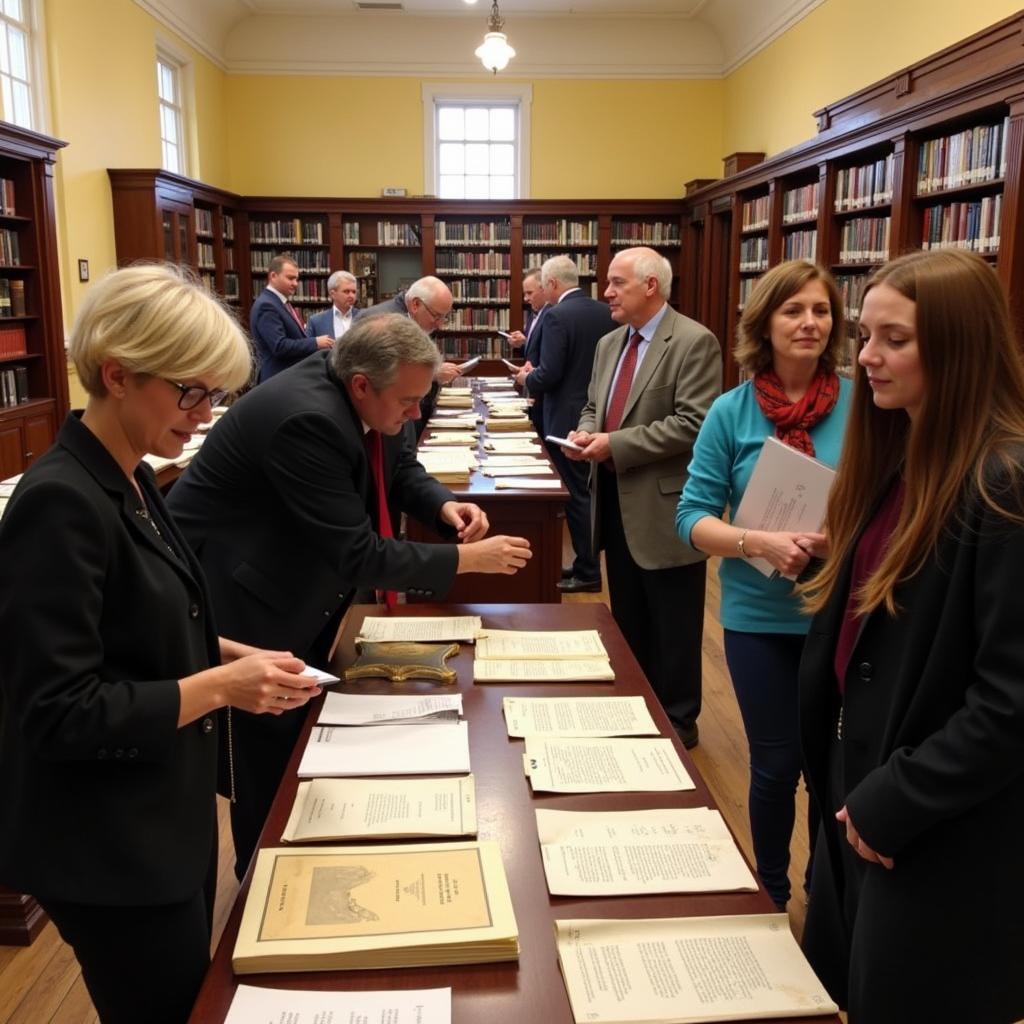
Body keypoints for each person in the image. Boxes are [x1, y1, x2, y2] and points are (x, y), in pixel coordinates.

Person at [0, 264, 320, 1024]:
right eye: (191, 393)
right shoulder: (60, 502)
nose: (204, 413)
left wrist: (237, 654)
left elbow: (159, 622)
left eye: (214, 393)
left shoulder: (131, 476)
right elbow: (58, 710)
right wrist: (223, 687)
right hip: (105, 843)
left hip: (159, 815)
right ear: (117, 374)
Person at [167, 313, 531, 879]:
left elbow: (400, 465)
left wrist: (440, 505)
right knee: (264, 765)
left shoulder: (378, 386)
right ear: (361, 385)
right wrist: (465, 560)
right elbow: (356, 552)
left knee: (298, 741)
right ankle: (262, 883)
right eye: (409, 402)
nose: (416, 413)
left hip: (294, 583)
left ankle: (301, 858)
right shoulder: (305, 419)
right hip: (244, 602)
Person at [798, 249, 1024, 1022]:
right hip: (855, 794)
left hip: (930, 828)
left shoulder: (1003, 483)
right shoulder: (900, 457)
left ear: (958, 347)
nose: (866, 357)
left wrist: (893, 801)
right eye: (865, 335)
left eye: (894, 339)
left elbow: (1011, 701)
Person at [676, 260, 852, 908]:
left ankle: (825, 898)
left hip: (844, 616)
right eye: (793, 310)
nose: (809, 323)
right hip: (758, 616)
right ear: (765, 323)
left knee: (832, 771)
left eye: (821, 311)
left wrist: (844, 535)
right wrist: (759, 542)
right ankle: (772, 896)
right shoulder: (732, 411)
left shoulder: (867, 403)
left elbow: (899, 504)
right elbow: (690, 517)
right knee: (776, 766)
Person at [567, 246, 721, 748]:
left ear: (650, 286)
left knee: (673, 620)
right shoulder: (611, 342)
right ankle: (636, 701)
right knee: (628, 610)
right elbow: (595, 405)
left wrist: (615, 443)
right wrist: (586, 434)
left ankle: (678, 720)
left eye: (616, 283)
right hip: (611, 495)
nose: (606, 292)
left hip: (666, 506)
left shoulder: (694, 342)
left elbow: (693, 423)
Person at [516, 255, 615, 592]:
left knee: (574, 495)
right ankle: (585, 564)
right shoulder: (607, 312)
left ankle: (587, 571)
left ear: (553, 284)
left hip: (565, 419)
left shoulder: (557, 315)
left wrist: (527, 377)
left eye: (542, 286)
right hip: (600, 413)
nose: (542, 291)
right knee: (590, 494)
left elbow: (551, 373)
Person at [357, 275, 461, 432]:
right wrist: (433, 374)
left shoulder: (416, 318)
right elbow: (380, 377)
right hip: (386, 425)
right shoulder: (381, 322)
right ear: (416, 304)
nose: (440, 325)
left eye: (444, 318)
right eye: (437, 316)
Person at [251, 254, 333, 383]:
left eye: (296, 279)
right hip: (277, 380)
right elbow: (279, 346)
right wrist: (315, 342)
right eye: (290, 278)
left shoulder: (279, 303)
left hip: (287, 378)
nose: (295, 284)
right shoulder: (267, 305)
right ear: (273, 276)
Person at [306, 269, 359, 341]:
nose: (351, 296)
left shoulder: (366, 318)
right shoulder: (316, 322)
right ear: (332, 294)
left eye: (354, 292)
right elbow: (309, 349)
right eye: (346, 291)